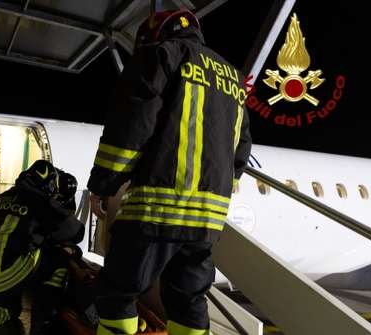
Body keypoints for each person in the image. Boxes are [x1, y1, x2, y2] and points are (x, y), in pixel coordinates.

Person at [87, 9, 251, 335]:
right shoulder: (232, 78)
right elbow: (241, 145)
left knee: (118, 292)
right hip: (207, 218)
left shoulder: (163, 55)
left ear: (154, 34)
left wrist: (105, 183)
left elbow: (132, 126)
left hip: (156, 208)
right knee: (188, 299)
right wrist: (225, 185)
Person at [0, 160, 85, 334]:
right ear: (49, 185)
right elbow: (77, 232)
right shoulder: (40, 201)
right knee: (60, 258)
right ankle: (42, 324)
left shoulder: (2, 197)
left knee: (21, 254)